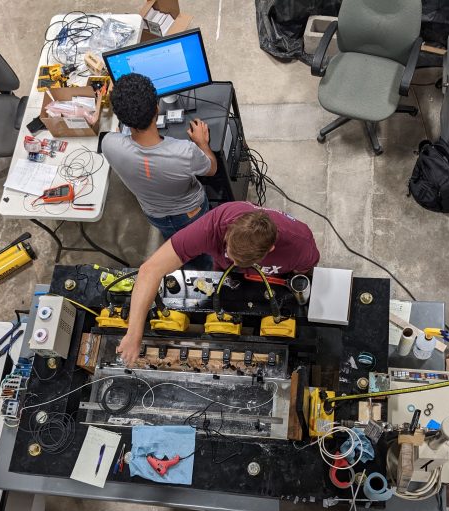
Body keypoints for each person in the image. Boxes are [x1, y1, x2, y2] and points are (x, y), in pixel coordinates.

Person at [117, 202, 320, 364]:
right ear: (228, 233)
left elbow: (303, 276)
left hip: (269, 283)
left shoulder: (300, 244)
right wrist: (134, 334)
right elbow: (150, 270)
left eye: (242, 262)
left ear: (271, 249)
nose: (234, 264)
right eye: (230, 255)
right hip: (223, 279)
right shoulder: (212, 226)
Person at [101, 73, 217, 239]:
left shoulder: (108, 144)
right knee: (200, 242)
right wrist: (202, 143)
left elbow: (118, 138)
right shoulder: (185, 152)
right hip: (191, 212)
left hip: (154, 215)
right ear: (157, 108)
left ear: (123, 120)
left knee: (177, 244)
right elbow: (212, 169)